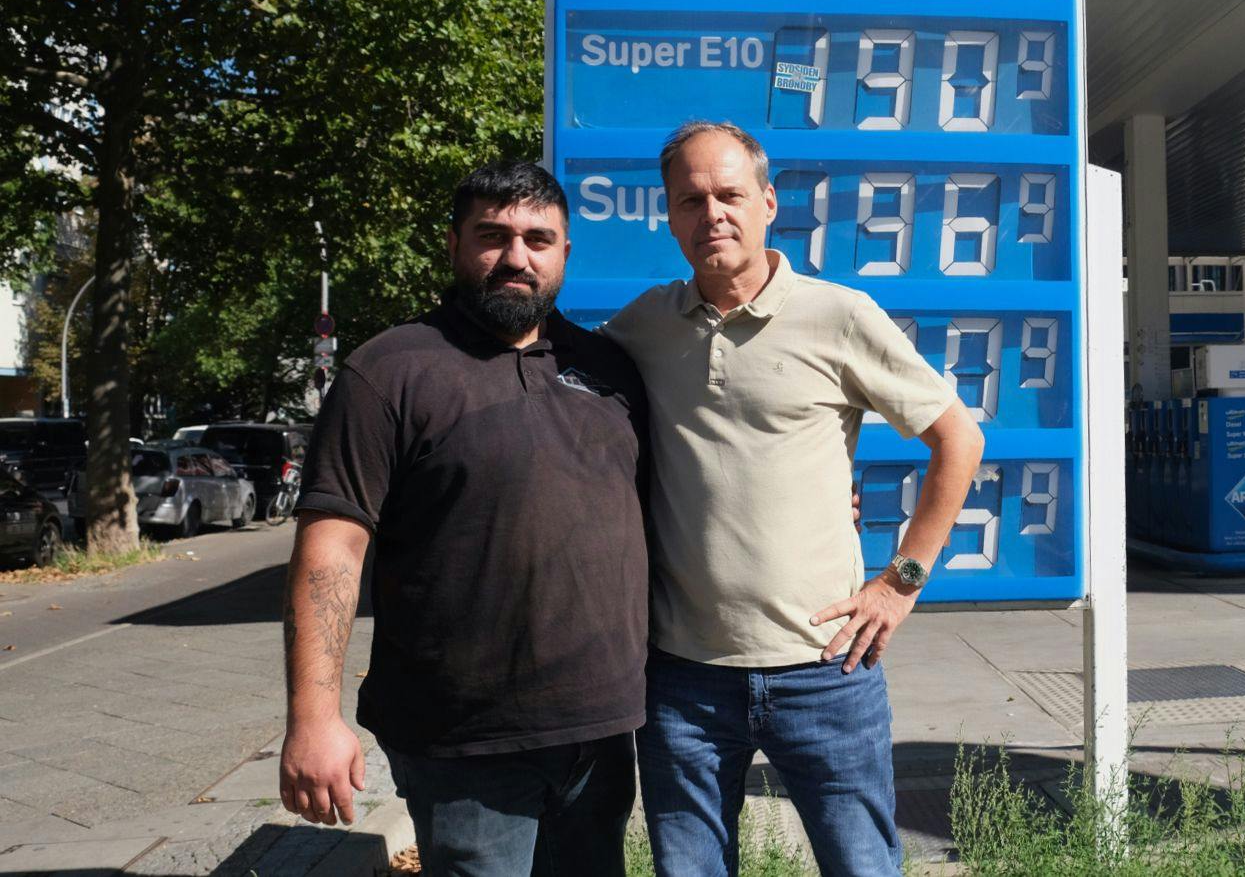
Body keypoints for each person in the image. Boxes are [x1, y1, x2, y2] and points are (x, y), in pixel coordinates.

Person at [602, 120, 986, 877]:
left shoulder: (840, 315)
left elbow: (959, 439)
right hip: (683, 677)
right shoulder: (643, 327)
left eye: (730, 194)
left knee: (862, 866)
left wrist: (901, 581)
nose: (712, 213)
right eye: (690, 200)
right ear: (669, 215)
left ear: (769, 202)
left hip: (825, 670)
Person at [278, 160, 649, 877]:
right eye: (492, 236)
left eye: (538, 239)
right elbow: (331, 550)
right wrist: (314, 718)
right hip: (462, 744)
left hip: (600, 733)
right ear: (453, 244)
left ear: (565, 253)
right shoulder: (387, 372)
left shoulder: (610, 370)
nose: (516, 257)